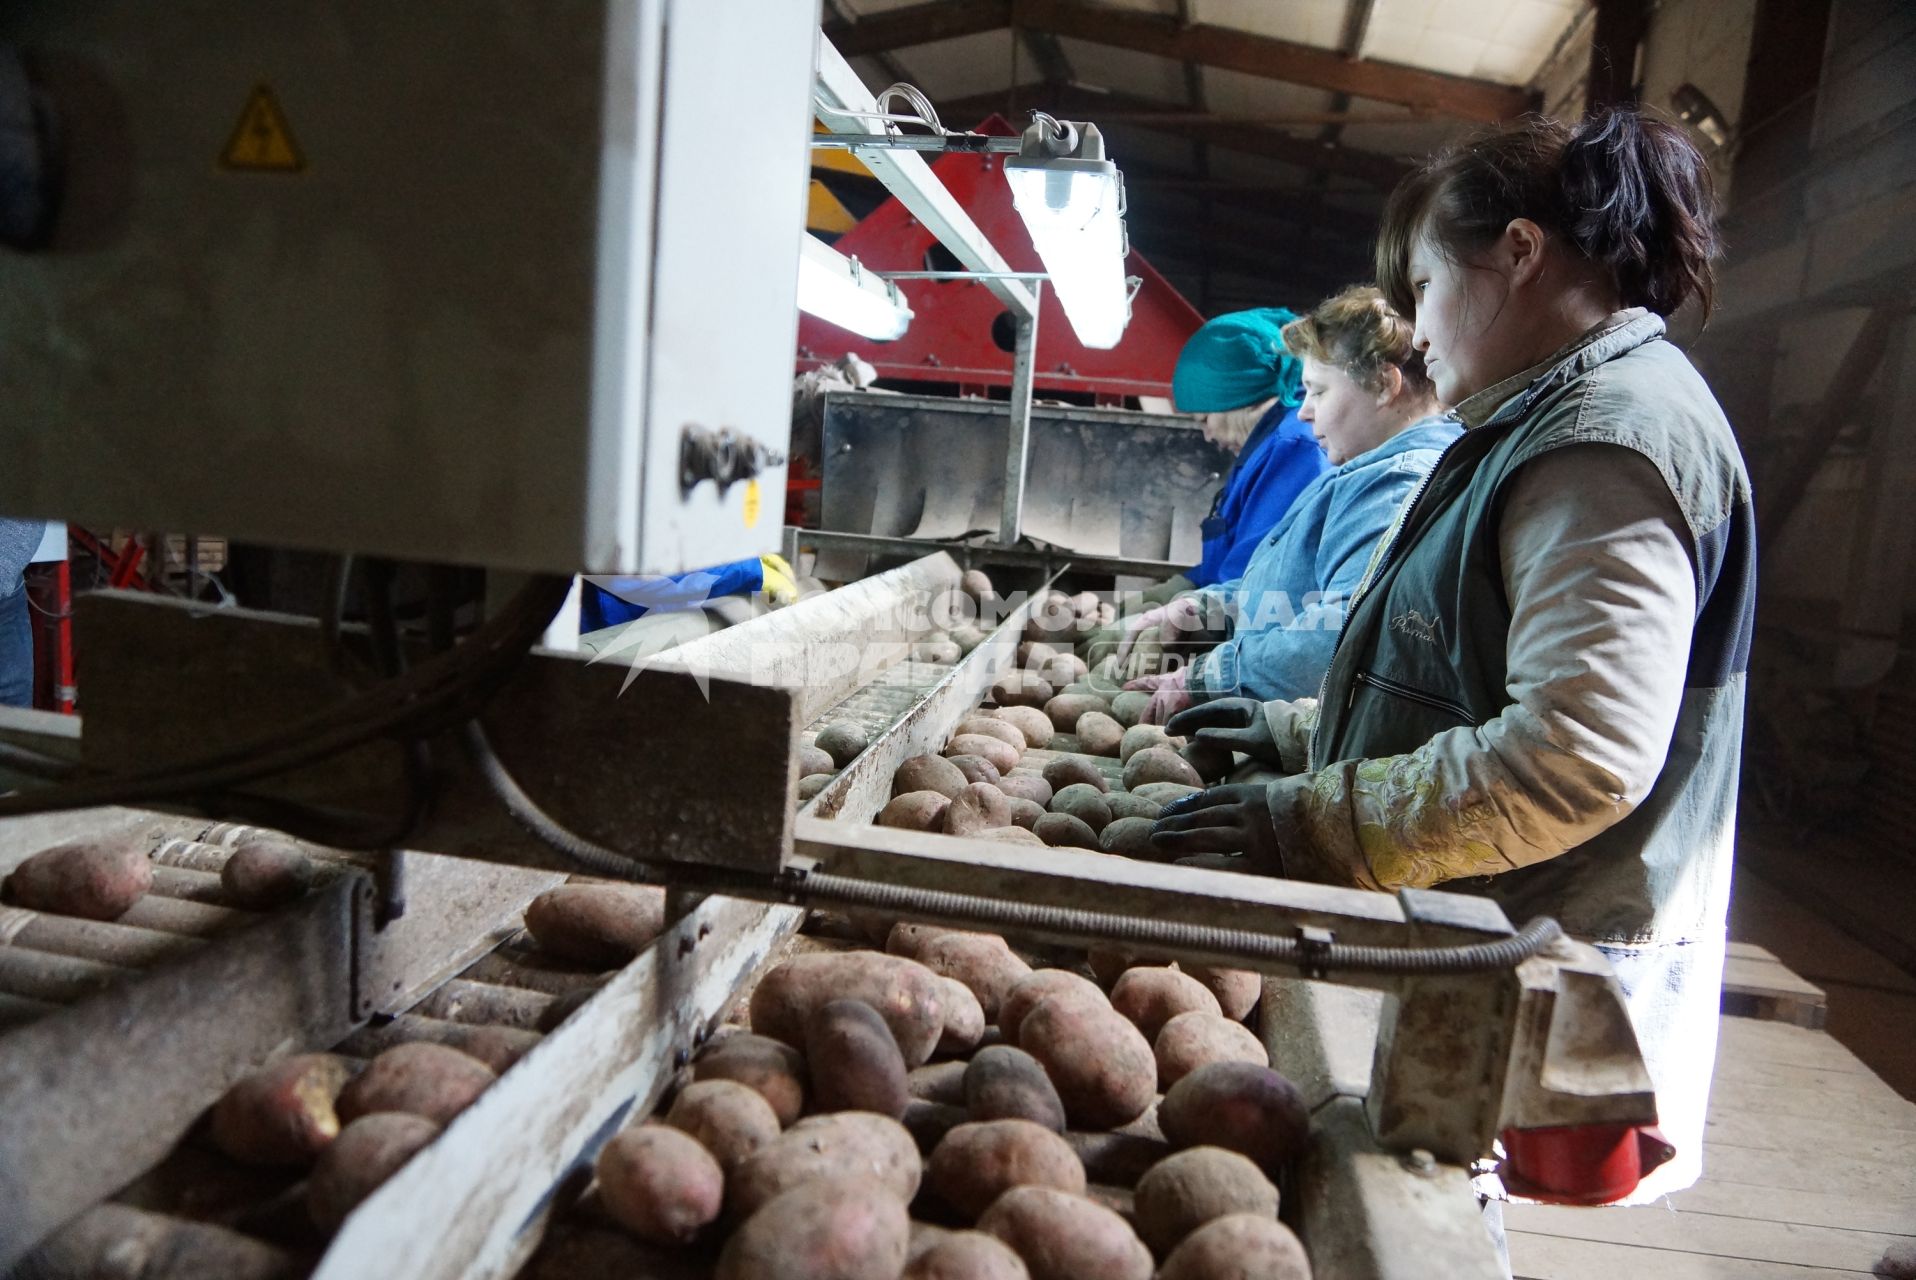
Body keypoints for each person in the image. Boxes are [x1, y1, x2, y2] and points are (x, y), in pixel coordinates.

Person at [1152, 107, 1754, 1218]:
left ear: (1520, 254)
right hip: (1480, 927)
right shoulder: (1535, 421)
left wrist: (1312, 820)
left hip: (1539, 944)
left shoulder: (1609, 438)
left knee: (1436, 1207)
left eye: (1425, 287)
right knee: (1424, 1187)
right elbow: (1461, 663)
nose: (1414, 333)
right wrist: (1297, 735)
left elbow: (1575, 756)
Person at [1115, 287, 1460, 724]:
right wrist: (1203, 607)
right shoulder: (1359, 471)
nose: (1302, 412)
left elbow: (1341, 631)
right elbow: (1293, 589)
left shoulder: (1397, 485)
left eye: (1317, 392)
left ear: (1384, 386)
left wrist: (1205, 678)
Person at [1082, 307, 1329, 671]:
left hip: (1260, 640)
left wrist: (1173, 617)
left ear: (1237, 400)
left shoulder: (1294, 447)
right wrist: (1177, 587)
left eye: (1206, 418)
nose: (1208, 435)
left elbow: (1258, 576)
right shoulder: (1266, 445)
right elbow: (1233, 554)